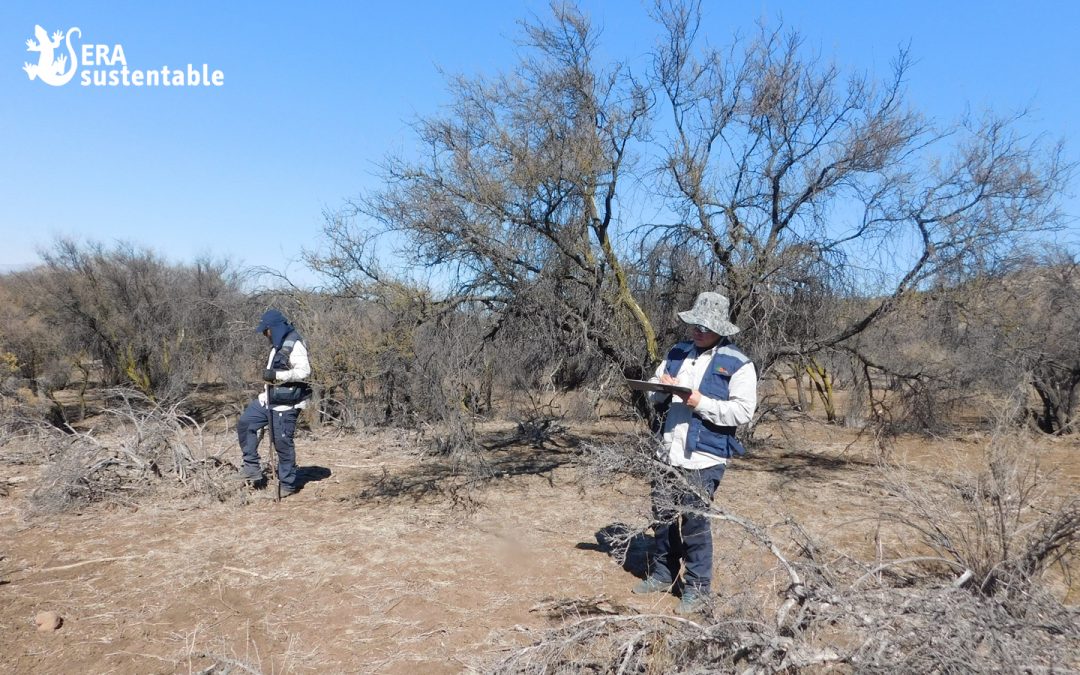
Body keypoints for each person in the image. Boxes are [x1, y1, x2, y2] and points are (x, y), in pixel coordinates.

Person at [632, 291, 757, 615]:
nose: (698, 330)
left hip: (705, 456)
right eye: (695, 324)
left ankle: (698, 588)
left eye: (706, 325)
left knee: (695, 523)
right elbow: (654, 391)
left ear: (721, 328)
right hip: (667, 451)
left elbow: (742, 412)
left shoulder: (739, 364)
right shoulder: (676, 352)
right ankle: (662, 574)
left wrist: (700, 403)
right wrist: (659, 390)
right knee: (661, 517)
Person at [234, 309, 312, 498]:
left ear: (273, 328)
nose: (264, 334)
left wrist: (277, 376)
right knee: (246, 423)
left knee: (282, 444)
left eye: (265, 330)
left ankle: (287, 484)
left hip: (286, 404)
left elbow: (304, 371)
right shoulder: (276, 344)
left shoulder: (295, 344)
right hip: (268, 399)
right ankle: (251, 467)